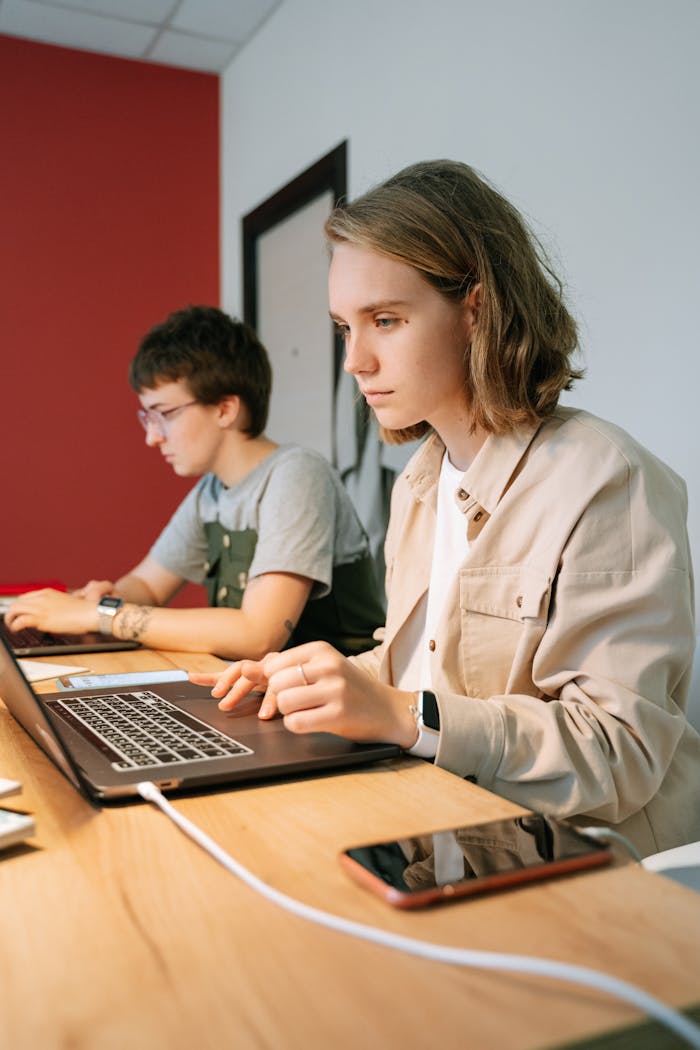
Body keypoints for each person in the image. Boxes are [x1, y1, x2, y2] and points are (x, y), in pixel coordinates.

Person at [193, 160, 699, 857]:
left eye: (386, 320)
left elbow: (619, 754)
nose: (355, 362)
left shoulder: (606, 478)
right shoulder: (420, 483)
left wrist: (404, 714)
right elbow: (423, 671)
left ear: (476, 310)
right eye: (345, 327)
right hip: (444, 840)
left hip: (584, 876)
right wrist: (311, 678)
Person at [5, 306, 384, 659]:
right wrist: (105, 598)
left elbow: (258, 635)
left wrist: (104, 616)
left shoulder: (297, 475)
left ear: (224, 408)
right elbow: (149, 586)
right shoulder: (212, 492)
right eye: (147, 418)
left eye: (164, 414)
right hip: (263, 696)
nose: (153, 437)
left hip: (335, 716)